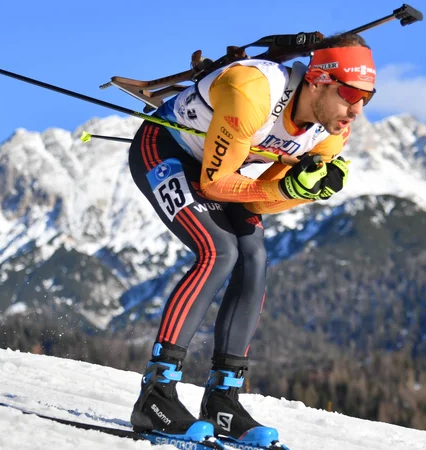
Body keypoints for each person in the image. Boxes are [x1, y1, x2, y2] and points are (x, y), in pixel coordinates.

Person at [126, 32, 376, 447]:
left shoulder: (331, 132)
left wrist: (301, 190)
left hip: (222, 171)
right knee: (218, 250)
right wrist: (288, 190)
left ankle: (223, 400)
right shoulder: (254, 91)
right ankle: (156, 395)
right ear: (319, 80)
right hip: (167, 149)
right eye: (350, 94)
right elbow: (214, 182)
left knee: (254, 257)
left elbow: (261, 203)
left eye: (367, 97)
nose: (356, 110)